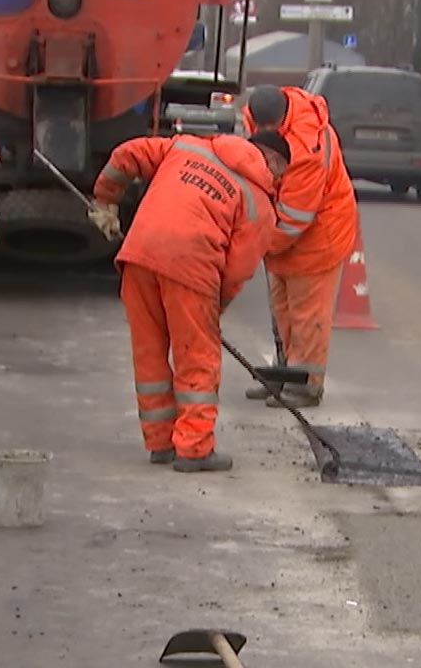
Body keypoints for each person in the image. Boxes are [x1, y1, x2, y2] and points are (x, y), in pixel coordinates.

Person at [89, 130, 289, 472]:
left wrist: (105, 199)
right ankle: (194, 448)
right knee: (197, 358)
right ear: (269, 159)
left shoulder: (186, 146)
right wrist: (214, 308)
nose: (278, 180)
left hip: (138, 256)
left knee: (149, 352)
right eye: (281, 171)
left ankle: (160, 442)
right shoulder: (257, 201)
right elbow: (239, 269)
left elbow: (127, 152)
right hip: (191, 267)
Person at [238, 85, 360, 409]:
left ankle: (306, 385)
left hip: (319, 235)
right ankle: (282, 374)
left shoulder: (306, 148)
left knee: (307, 316)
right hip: (280, 231)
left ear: (281, 122)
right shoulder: (256, 115)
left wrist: (256, 244)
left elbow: (293, 221)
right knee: (282, 311)